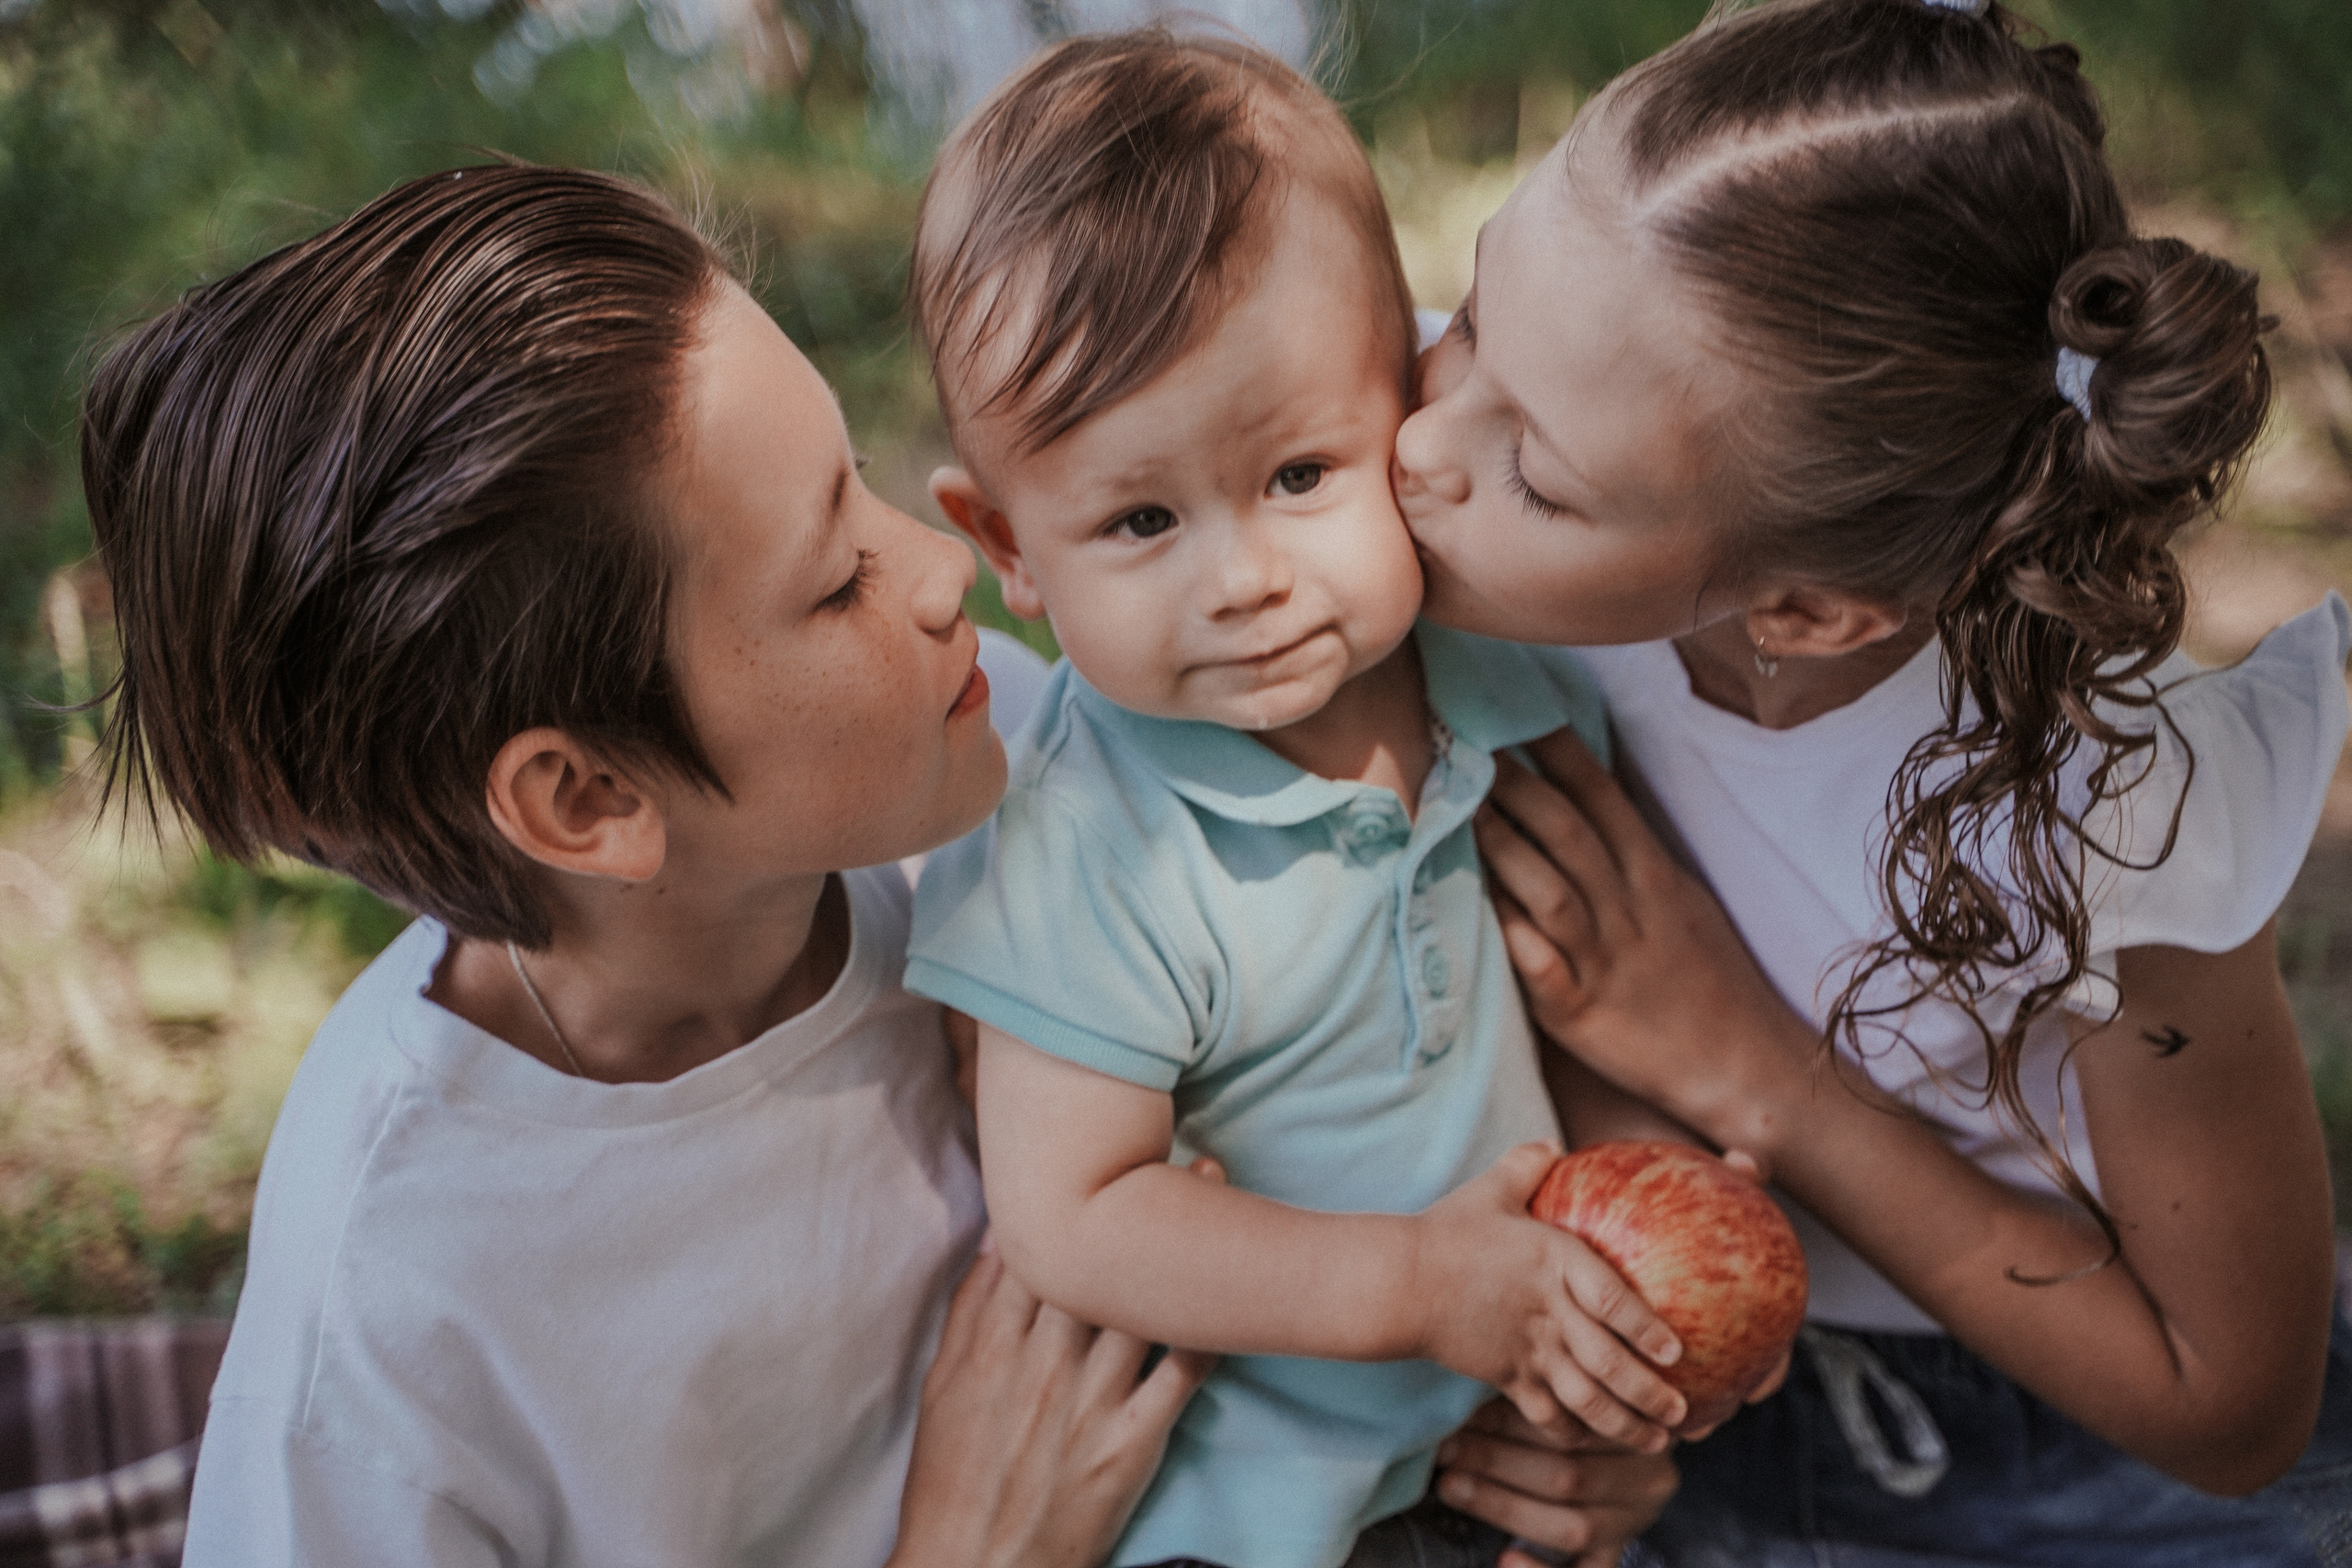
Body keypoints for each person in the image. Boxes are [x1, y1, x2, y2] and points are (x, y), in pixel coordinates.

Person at [81, 163, 1671, 1568]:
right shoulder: (388, 1336)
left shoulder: (1031, 765)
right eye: (835, 578)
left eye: (862, 483)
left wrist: (1537, 1423)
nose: (942, 574)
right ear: (582, 798)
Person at [1390, 0, 2352, 1562]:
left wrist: (1763, 1079)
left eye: (1537, 477)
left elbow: (2233, 1402)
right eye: (1474, 318)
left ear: (1809, 611)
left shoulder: (2101, 806)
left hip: (2065, 1459)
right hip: (1691, 1414)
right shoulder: (1564, 512)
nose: (1422, 442)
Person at [901, 32, 1724, 1568]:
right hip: (1252, 1521)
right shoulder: (1087, 839)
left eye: (1299, 475)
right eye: (1142, 519)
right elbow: (1075, 1212)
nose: (1248, 583)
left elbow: (1570, 1019)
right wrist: (1421, 1286)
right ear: (1009, 545)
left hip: (1491, 1456)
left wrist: (1640, 1215)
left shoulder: (1505, 695)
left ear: (1400, 402)